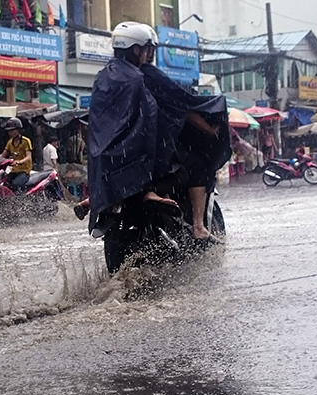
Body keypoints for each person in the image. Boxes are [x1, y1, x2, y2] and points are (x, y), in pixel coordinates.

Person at [76, 22, 229, 240]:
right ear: (137, 49)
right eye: (148, 49)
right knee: (197, 165)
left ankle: (96, 198)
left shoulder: (103, 76)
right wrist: (210, 128)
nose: (150, 54)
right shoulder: (142, 76)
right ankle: (197, 226)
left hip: (107, 160)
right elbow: (181, 105)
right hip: (142, 156)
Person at [0, 117, 33, 191]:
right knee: (3, 183)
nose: (10, 133)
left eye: (12, 130)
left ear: (19, 130)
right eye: (8, 131)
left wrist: (19, 162)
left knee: (16, 185)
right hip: (13, 171)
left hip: (24, 172)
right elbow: (2, 155)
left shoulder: (26, 141)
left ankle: (22, 201)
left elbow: (29, 157)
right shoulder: (10, 142)